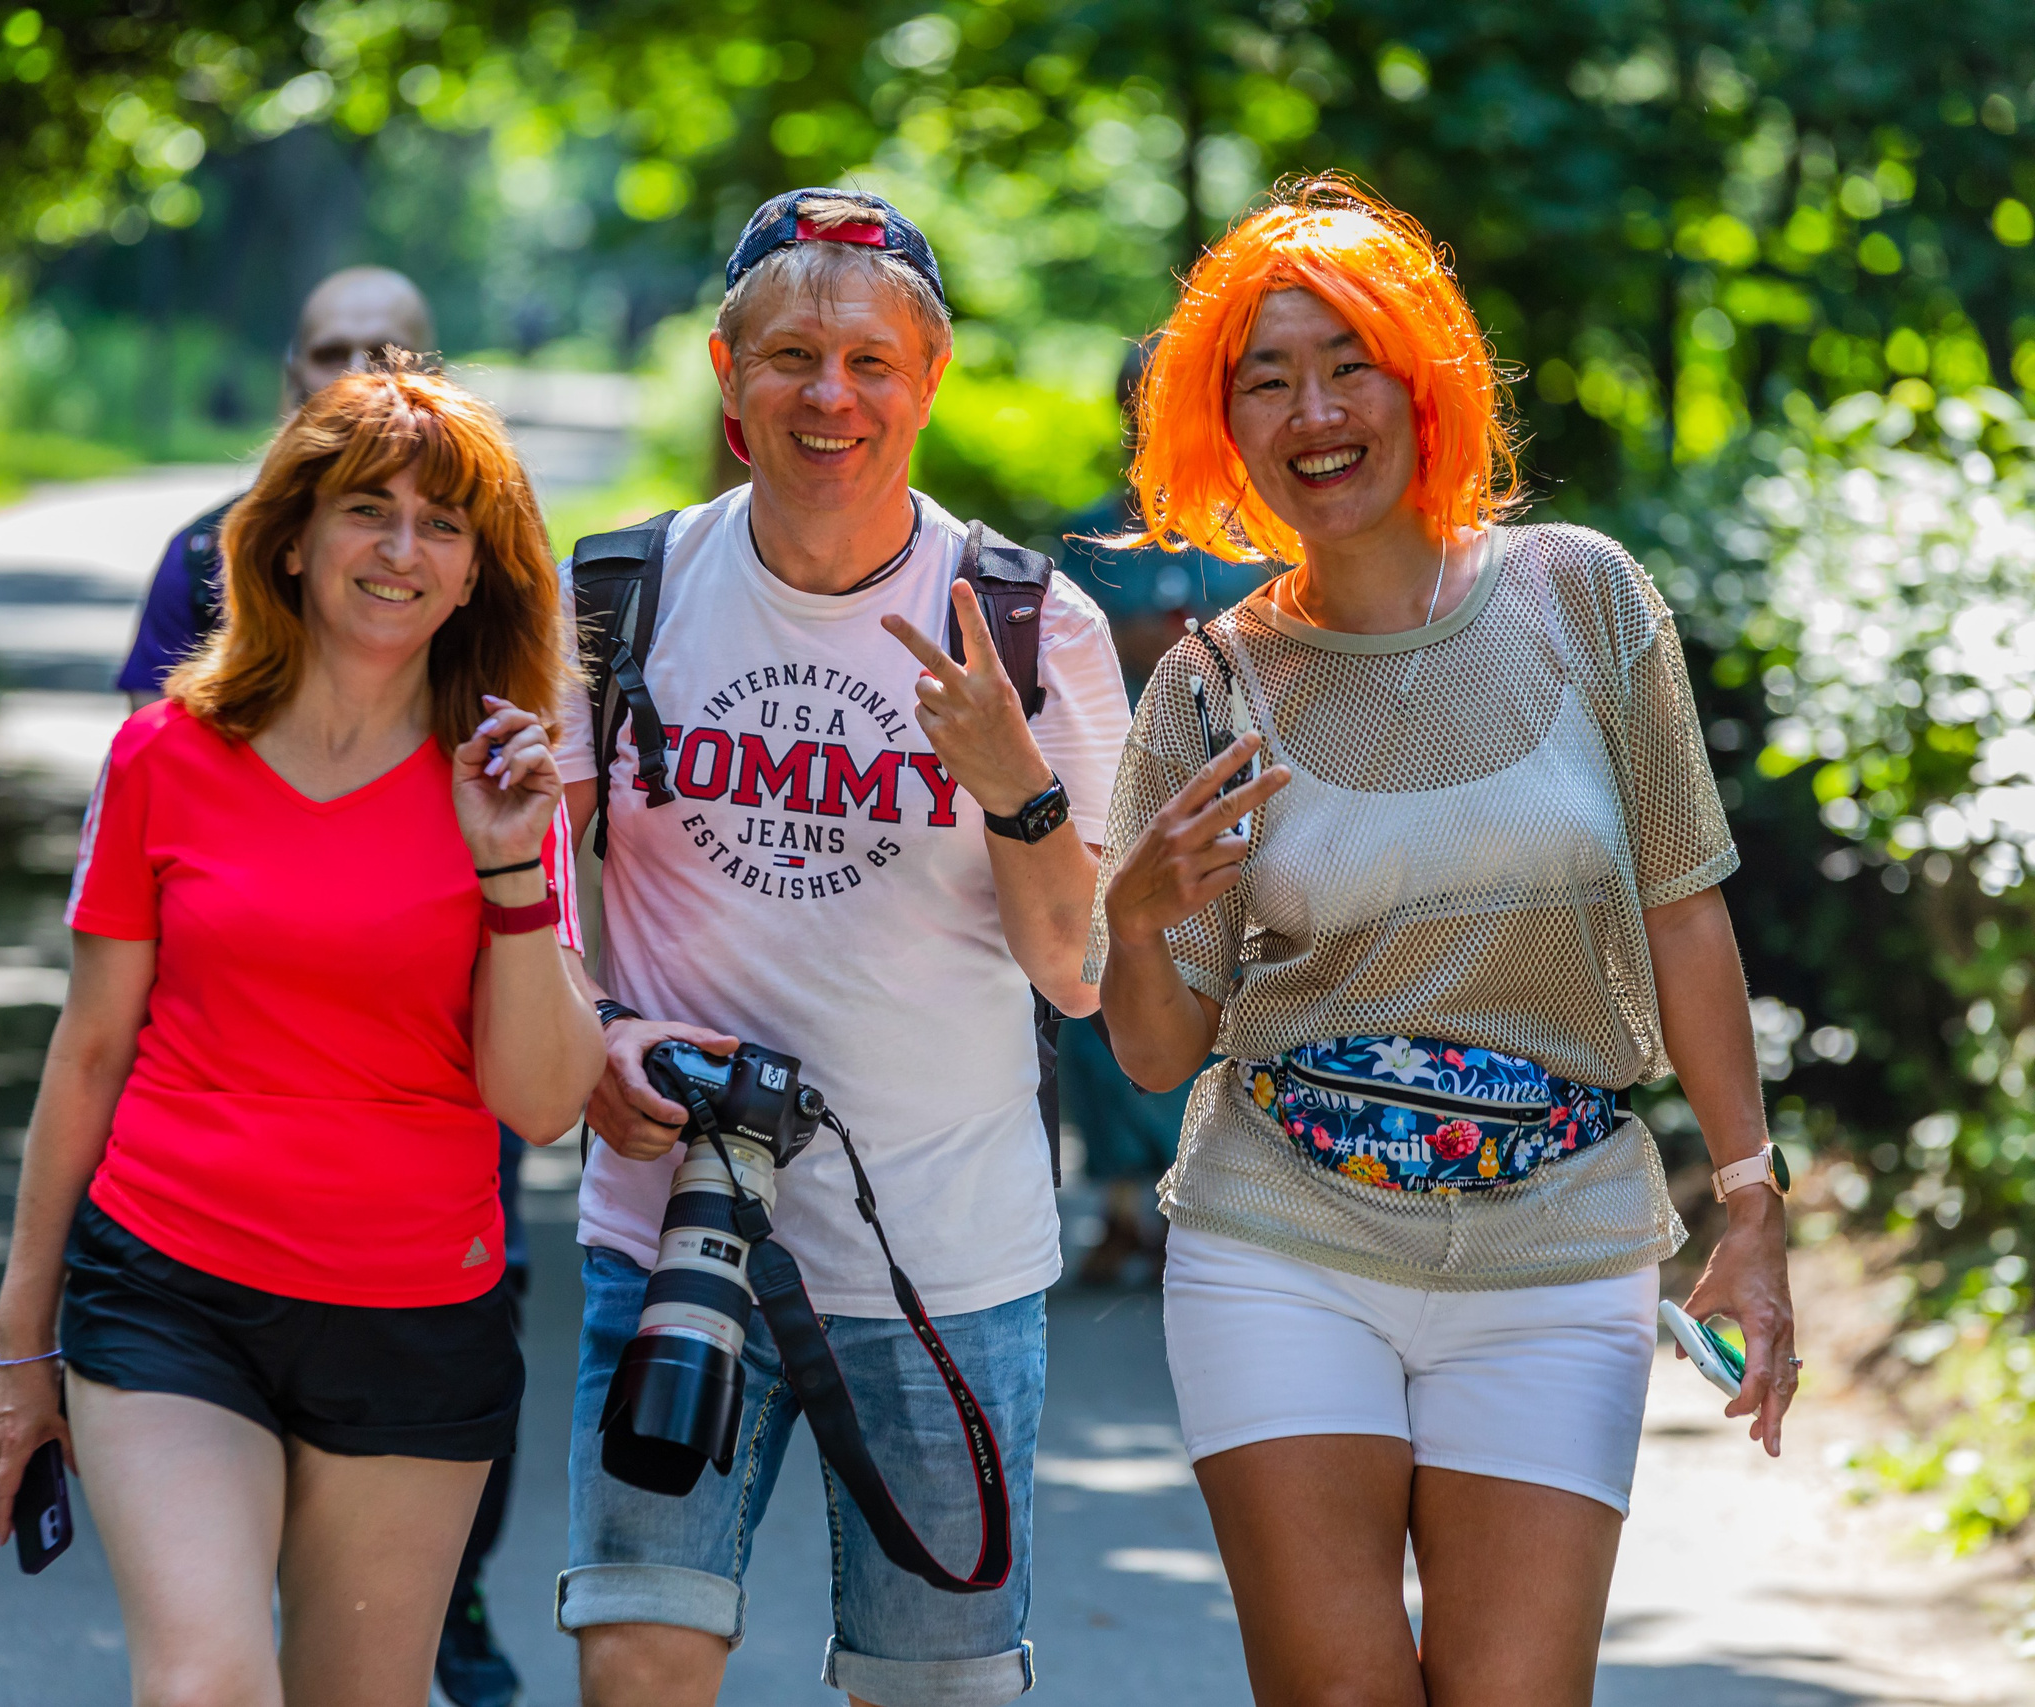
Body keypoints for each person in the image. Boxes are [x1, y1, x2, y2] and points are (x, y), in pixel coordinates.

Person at [1091, 175, 1798, 1706]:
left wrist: (1750, 1202)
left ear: (1426, 382)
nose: (1312, 407)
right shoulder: (1208, 688)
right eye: (1263, 378)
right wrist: (1136, 917)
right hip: (1284, 1240)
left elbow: (1684, 907)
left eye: (1346, 360)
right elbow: (1153, 1048)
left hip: (1559, 1241)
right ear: (1225, 430)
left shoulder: (1585, 599)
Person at [551, 190, 1132, 1707]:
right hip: (681, 1225)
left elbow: (1084, 970)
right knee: (638, 1662)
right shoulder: (616, 600)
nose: (832, 395)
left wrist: (1019, 787)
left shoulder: (1024, 622)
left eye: (871, 360)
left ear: (929, 381)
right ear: (727, 381)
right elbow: (537, 897)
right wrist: (595, 1023)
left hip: (945, 1251)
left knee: (931, 1689)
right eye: (791, 355)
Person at [0, 363, 603, 1707]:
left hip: (418, 1318)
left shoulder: (505, 783)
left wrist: (511, 871)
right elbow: (86, 1053)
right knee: (206, 1680)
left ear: (479, 572)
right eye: (367, 509)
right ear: (293, 535)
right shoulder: (163, 755)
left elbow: (545, 1102)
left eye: (443, 524)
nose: (400, 549)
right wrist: (21, 1350)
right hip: (169, 1288)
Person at [1054, 336, 1273, 1286]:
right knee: (1091, 994)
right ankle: (1118, 1207)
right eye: (1143, 404)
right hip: (1110, 802)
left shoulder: (1265, 541)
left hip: (1237, 810)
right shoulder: (1086, 543)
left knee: (1218, 993)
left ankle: (1202, 1200)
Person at [119, 265, 440, 709]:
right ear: (292, 377)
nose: (356, 375)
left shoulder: (487, 555)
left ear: (436, 378)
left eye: (387, 354)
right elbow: (150, 761)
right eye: (330, 354)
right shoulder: (201, 559)